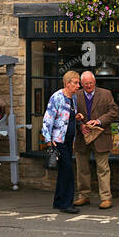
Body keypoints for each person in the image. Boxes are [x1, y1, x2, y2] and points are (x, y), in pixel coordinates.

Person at [73, 70, 119, 209]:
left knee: (103, 169)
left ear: (95, 82)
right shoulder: (76, 95)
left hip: (101, 136)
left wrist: (99, 121)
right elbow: (70, 114)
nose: (88, 86)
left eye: (91, 83)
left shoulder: (106, 94)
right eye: (86, 84)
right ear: (81, 84)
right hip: (82, 137)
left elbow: (113, 112)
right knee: (82, 169)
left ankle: (106, 198)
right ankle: (83, 196)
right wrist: (80, 125)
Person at [42, 70, 81, 214]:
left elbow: (66, 117)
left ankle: (58, 201)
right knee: (68, 172)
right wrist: (48, 140)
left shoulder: (73, 98)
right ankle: (66, 204)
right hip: (58, 141)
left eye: (78, 83)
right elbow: (48, 119)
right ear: (67, 83)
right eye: (76, 83)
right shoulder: (57, 97)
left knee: (63, 172)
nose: (78, 86)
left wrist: (76, 117)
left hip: (69, 139)